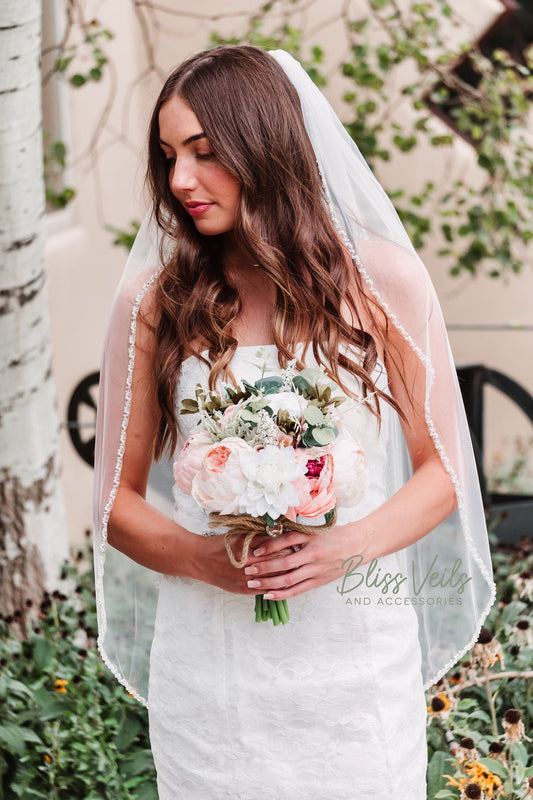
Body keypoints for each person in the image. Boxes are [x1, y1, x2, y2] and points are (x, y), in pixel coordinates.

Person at [93, 45, 495, 799]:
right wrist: (201, 559)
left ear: (264, 147)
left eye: (206, 153)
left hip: (353, 659)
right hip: (210, 666)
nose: (180, 180)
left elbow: (442, 471)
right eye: (168, 155)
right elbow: (115, 504)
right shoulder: (153, 300)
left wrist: (342, 548)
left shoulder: (385, 285)